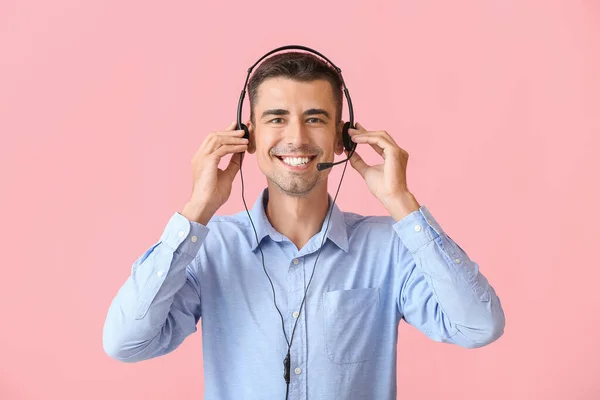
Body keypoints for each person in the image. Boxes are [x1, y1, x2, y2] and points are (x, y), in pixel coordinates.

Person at [102, 50, 505, 400]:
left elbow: (478, 327)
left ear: (340, 138)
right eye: (277, 118)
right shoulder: (211, 246)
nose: (296, 137)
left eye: (315, 119)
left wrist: (401, 203)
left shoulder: (390, 247)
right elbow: (126, 342)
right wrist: (197, 209)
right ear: (249, 136)